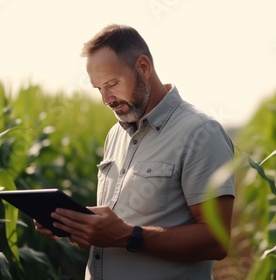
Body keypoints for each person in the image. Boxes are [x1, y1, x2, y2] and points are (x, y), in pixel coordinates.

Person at [35, 24, 235, 280]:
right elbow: (116, 226)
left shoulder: (201, 133)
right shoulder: (115, 135)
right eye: (99, 88)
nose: (106, 99)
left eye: (112, 84)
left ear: (143, 67)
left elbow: (216, 241)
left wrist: (128, 236)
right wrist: (79, 227)